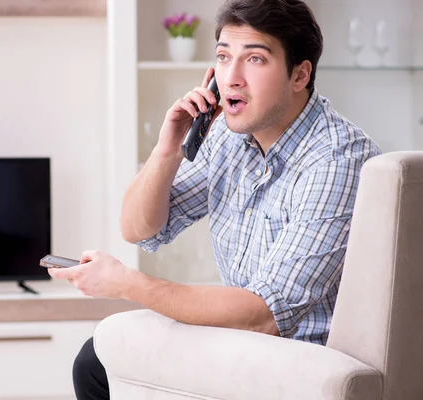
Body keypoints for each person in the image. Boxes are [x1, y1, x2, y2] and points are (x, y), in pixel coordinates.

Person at [48, 0, 382, 399]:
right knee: (98, 361)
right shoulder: (228, 135)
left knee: (103, 360)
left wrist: (127, 284)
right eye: (223, 58)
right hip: (247, 345)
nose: (232, 79)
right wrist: (168, 148)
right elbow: (138, 229)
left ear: (300, 74)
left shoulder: (337, 159)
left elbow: (264, 316)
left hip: (305, 362)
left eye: (255, 59)